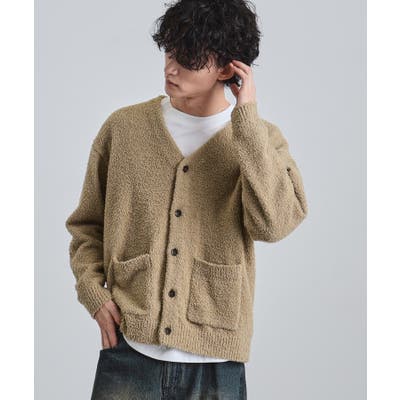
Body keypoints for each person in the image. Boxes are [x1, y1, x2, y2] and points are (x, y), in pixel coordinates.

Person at [65, 0, 308, 398]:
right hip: (130, 350)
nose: (171, 68)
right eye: (170, 52)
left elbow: (274, 224)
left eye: (188, 60)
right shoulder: (123, 129)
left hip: (217, 363)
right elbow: (86, 224)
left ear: (227, 69)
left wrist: (246, 121)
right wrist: (93, 292)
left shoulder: (260, 140)